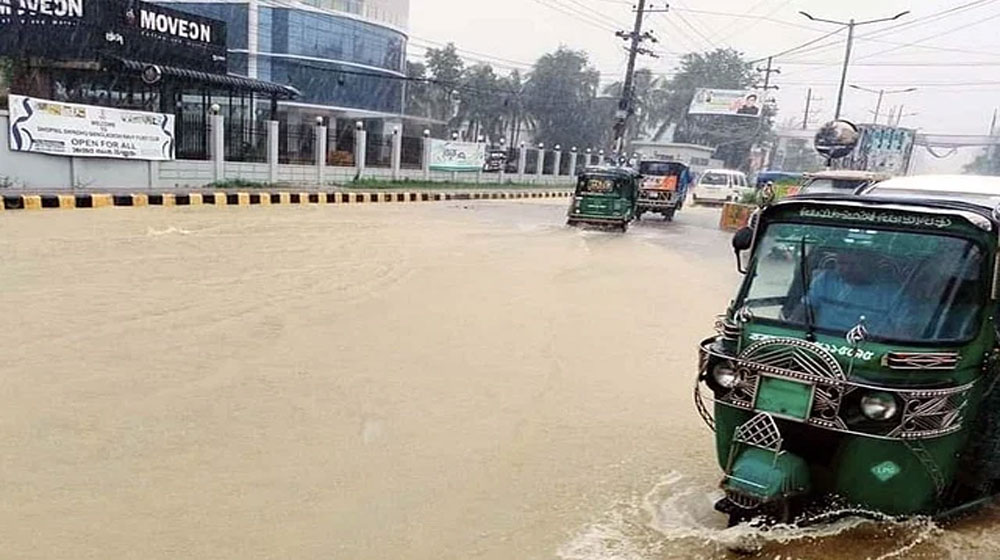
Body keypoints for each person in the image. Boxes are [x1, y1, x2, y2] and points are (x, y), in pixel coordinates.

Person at [803, 250, 895, 333]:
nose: (846, 269)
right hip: (819, 339)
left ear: (870, 265)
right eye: (841, 263)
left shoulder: (892, 294)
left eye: (853, 265)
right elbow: (803, 310)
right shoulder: (825, 279)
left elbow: (903, 329)